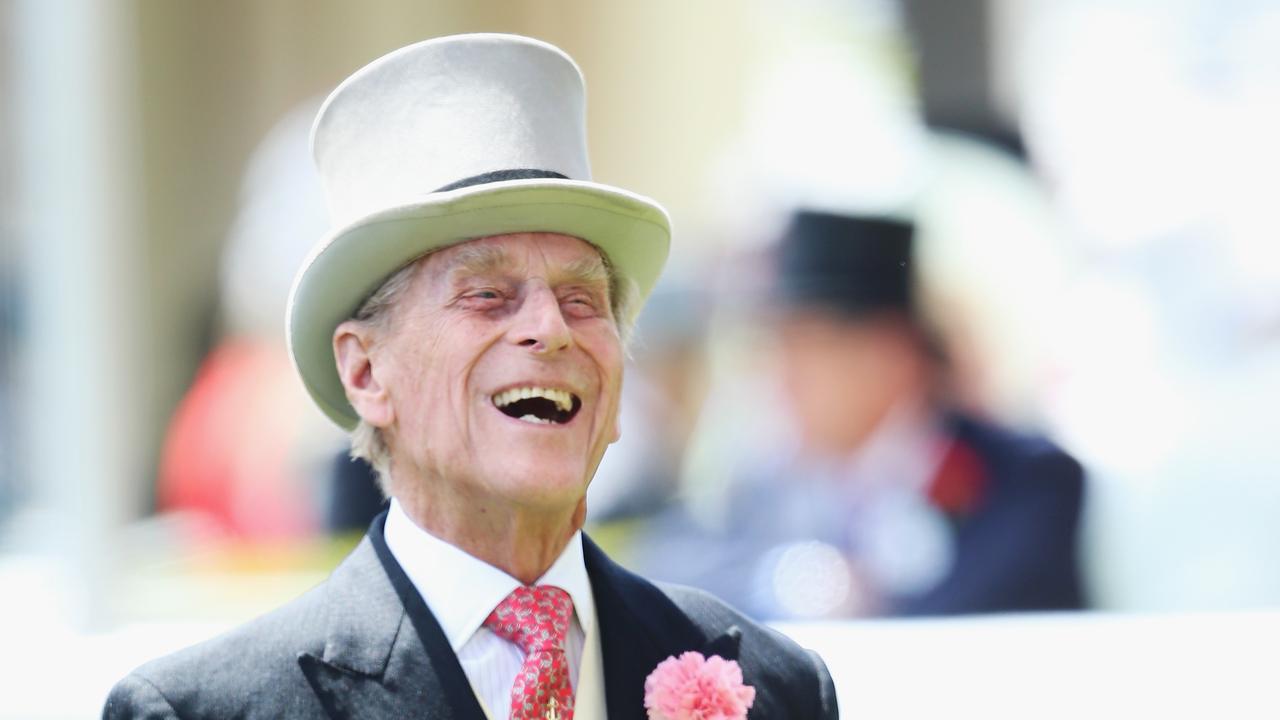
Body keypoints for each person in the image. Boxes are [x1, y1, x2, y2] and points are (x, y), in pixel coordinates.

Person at [102, 34, 838, 720]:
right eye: (487, 295)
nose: (550, 329)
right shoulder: (210, 710)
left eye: (583, 300)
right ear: (365, 372)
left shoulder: (774, 688)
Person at [683, 210, 1086, 618]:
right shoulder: (765, 483)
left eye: (807, 347)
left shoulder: (1026, 480)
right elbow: (682, 577)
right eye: (778, 348)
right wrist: (790, 585)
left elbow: (972, 618)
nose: (783, 378)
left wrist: (868, 601)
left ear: (890, 356)